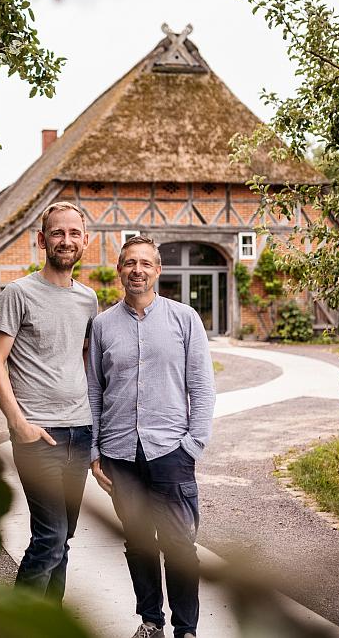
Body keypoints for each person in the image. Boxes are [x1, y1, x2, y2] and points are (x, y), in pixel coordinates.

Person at [87, 235, 216, 638]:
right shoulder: (103, 325)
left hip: (171, 451)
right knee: (139, 543)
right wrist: (95, 451)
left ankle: (186, 629)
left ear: (158, 270)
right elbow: (94, 390)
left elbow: (202, 386)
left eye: (145, 263)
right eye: (130, 263)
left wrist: (193, 445)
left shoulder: (184, 319)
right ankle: (150, 622)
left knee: (180, 546)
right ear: (119, 270)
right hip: (120, 454)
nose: (137, 270)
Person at [0, 201, 99, 604]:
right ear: (42, 240)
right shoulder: (18, 294)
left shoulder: (88, 299)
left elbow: (85, 359)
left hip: (80, 432)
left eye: (73, 233)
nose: (66, 240)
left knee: (63, 537)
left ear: (85, 241)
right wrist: (18, 423)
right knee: (50, 536)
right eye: (57, 233)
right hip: (39, 434)